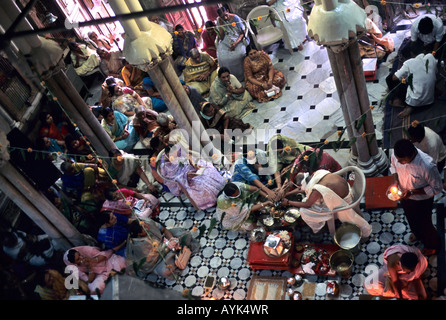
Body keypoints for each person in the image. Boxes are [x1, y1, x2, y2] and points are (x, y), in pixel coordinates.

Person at [281, 169, 372, 237]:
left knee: (303, 211)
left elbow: (308, 204)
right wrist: (287, 193)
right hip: (347, 189)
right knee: (310, 202)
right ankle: (321, 224)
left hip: (344, 202)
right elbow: (302, 188)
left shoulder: (316, 190)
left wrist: (288, 202)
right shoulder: (317, 174)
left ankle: (319, 228)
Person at [389, 139, 443, 255]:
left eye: (402, 161)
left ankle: (433, 245)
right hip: (405, 196)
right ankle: (417, 234)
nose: (399, 161)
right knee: (411, 217)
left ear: (411, 154)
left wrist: (412, 192)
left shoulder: (427, 166)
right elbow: (393, 166)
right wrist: (395, 182)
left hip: (422, 200)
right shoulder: (397, 154)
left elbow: (437, 188)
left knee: (425, 223)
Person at [156, 143, 227, 210]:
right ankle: (213, 200)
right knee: (201, 184)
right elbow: (172, 178)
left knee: (208, 171)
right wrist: (186, 175)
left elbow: (188, 156)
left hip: (190, 168)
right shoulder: (166, 166)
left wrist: (194, 165)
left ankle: (221, 188)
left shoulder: (178, 149)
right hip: (182, 178)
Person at [125, 217, 199, 281]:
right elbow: (153, 258)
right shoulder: (138, 245)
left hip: (165, 242)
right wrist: (169, 247)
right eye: (145, 228)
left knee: (185, 234)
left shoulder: (147, 222)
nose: (148, 227)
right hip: (158, 260)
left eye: (146, 225)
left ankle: (180, 253)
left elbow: (164, 230)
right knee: (166, 271)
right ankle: (181, 252)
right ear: (139, 234)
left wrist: (172, 239)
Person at [363, 244, 428, 300]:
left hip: (408, 281)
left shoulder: (421, 261)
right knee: (368, 284)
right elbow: (395, 282)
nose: (408, 274)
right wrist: (400, 297)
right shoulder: (392, 262)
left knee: (423, 297)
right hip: (390, 274)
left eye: (410, 272)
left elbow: (417, 276)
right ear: (399, 263)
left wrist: (414, 278)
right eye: (407, 272)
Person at [385, 51, 437, 118]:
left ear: (412, 53)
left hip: (414, 102)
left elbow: (394, 78)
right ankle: (434, 91)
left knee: (389, 78)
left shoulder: (409, 62)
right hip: (430, 101)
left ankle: (406, 105)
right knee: (425, 79)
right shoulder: (431, 57)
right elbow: (433, 73)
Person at [216, 6, 249, 82]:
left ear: (227, 11)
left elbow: (242, 33)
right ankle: (228, 77)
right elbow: (221, 37)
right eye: (222, 17)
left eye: (226, 15)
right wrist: (221, 25)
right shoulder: (219, 20)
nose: (225, 18)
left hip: (237, 39)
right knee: (222, 57)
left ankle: (241, 76)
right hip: (225, 41)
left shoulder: (235, 18)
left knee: (238, 55)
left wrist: (236, 43)